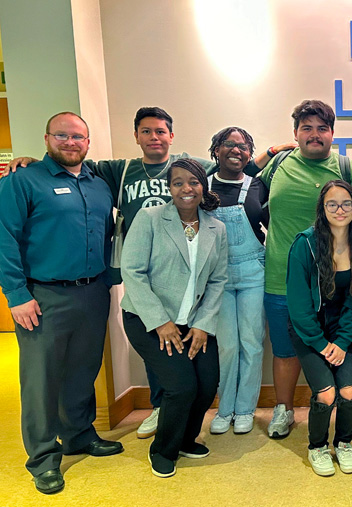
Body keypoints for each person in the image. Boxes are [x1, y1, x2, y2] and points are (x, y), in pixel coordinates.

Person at [5, 106, 288, 439]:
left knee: (88, 365)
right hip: (78, 285)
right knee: (50, 374)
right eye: (146, 131)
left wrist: (273, 151)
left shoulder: (221, 176)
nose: (154, 137)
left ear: (171, 136)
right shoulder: (119, 171)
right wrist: (34, 163)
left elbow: (239, 165)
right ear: (136, 135)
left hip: (198, 275)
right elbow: (69, 163)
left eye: (160, 131)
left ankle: (83, 434)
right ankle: (162, 409)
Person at [0, 112, 122, 495]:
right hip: (43, 297)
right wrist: (16, 296)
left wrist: (108, 281)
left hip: (92, 291)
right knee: (41, 380)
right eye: (62, 136)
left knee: (83, 371)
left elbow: (106, 236)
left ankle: (79, 436)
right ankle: (42, 458)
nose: (71, 142)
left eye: (78, 137)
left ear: (88, 143)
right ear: (47, 138)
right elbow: (5, 239)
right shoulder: (22, 181)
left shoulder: (99, 184)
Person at [258, 99, 352, 439]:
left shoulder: (346, 169)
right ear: (295, 133)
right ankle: (283, 410)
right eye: (306, 128)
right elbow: (243, 178)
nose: (314, 135)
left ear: (332, 133)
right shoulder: (279, 165)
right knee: (285, 351)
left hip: (335, 285)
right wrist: (271, 151)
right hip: (282, 276)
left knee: (336, 348)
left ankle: (344, 412)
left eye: (322, 128)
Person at [121, 158, 228, 478]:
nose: (186, 188)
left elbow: (217, 280)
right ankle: (163, 449)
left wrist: (202, 325)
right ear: (169, 188)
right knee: (181, 386)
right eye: (178, 182)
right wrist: (160, 322)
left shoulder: (216, 227)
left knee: (207, 384)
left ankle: (184, 439)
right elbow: (133, 272)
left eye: (193, 182)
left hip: (194, 322)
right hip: (147, 319)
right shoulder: (150, 218)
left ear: (202, 187)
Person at [286, 180, 352, 476]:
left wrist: (343, 339)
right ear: (322, 209)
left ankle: (344, 442)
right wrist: (321, 345)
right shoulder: (304, 244)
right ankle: (317, 447)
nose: (340, 209)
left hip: (342, 331)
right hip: (308, 330)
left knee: (348, 392)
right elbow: (298, 306)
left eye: (346, 203)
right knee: (326, 394)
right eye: (332, 204)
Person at [205, 127, 269, 435]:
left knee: (251, 343)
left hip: (254, 270)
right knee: (227, 346)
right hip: (216, 276)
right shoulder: (202, 185)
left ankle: (245, 408)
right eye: (229, 144)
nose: (236, 150)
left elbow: (272, 225)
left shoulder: (257, 185)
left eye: (244, 146)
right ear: (216, 149)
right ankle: (224, 407)